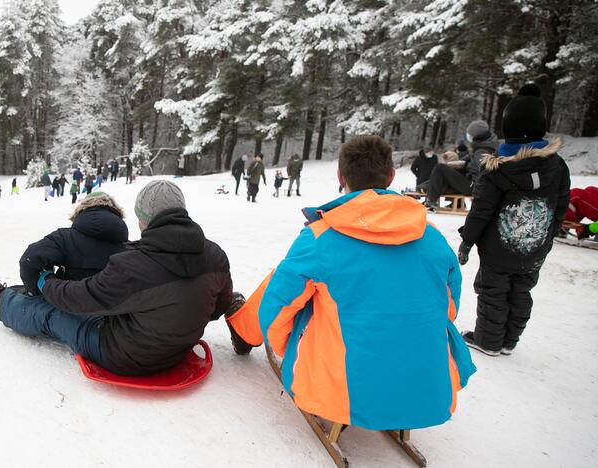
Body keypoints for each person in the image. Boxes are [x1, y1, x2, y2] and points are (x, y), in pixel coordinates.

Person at [225, 135, 475, 430]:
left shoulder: (321, 238)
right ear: (392, 176)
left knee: (289, 286)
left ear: (340, 176)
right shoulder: (432, 238)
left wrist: (292, 348)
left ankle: (243, 329)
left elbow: (275, 314)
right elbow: (449, 308)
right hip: (431, 391)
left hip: (341, 392)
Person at [0, 180, 234, 376]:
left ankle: (3, 299)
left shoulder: (135, 264)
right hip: (178, 352)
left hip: (123, 356)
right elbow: (217, 309)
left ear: (144, 219)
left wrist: (45, 282)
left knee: (53, 314)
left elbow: (78, 300)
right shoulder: (216, 256)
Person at [457, 83, 571, 357]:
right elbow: (561, 204)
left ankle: (489, 340)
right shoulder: (557, 166)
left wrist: (467, 241)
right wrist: (548, 234)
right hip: (534, 246)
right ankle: (509, 340)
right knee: (522, 290)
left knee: (493, 291)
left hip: (498, 250)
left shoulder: (496, 169)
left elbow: (481, 211)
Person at [18, 192, 129, 296]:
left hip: (67, 308)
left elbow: (29, 260)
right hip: (115, 312)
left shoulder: (63, 238)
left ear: (80, 210)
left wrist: (37, 291)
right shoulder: (130, 248)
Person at [425, 120, 497, 212]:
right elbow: (467, 161)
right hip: (474, 184)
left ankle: (431, 201)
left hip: (475, 186)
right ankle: (449, 201)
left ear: (476, 135)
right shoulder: (482, 148)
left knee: (440, 168)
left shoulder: (481, 151)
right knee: (447, 172)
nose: (468, 136)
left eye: (470, 134)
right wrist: (456, 162)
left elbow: (483, 172)